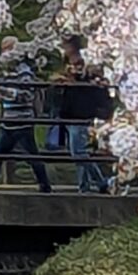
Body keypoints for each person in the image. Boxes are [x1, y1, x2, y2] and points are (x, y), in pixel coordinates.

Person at [0, 37, 51, 191]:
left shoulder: (24, 71)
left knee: (30, 155)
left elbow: (27, 94)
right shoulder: (4, 71)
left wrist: (2, 91)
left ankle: (45, 185)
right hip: (8, 119)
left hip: (22, 119)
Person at [52, 50, 113, 192]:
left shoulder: (90, 78)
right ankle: (91, 184)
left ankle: (96, 183)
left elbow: (94, 88)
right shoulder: (69, 77)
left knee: (79, 154)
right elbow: (54, 81)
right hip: (70, 116)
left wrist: (78, 78)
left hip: (81, 117)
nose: (75, 67)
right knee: (79, 153)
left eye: (78, 64)